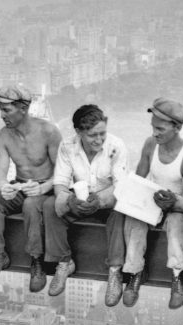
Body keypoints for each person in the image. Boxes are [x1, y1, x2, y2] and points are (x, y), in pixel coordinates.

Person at [44, 104, 129, 305]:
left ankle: (115, 270)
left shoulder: (116, 146)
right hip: (80, 199)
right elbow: (60, 182)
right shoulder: (67, 146)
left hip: (107, 200)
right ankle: (64, 261)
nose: (99, 140)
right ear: (78, 132)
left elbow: (121, 186)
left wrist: (99, 201)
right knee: (50, 206)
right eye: (92, 135)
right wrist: (70, 200)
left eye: (102, 134)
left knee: (121, 211)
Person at [0, 85, 62, 291]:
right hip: (20, 184)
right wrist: (4, 187)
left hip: (45, 189)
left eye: (7, 110)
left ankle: (37, 261)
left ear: (23, 109)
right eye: (1, 109)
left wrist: (44, 188)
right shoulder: (3, 136)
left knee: (31, 205)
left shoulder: (49, 132)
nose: (2, 115)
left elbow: (63, 172)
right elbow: (0, 173)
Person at [124, 98, 183, 308]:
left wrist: (174, 201)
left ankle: (178, 275)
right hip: (153, 200)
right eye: (153, 127)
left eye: (160, 129)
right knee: (135, 220)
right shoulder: (150, 144)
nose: (155, 133)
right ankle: (135, 272)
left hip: (175, 205)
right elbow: (139, 178)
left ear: (177, 128)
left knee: (175, 225)